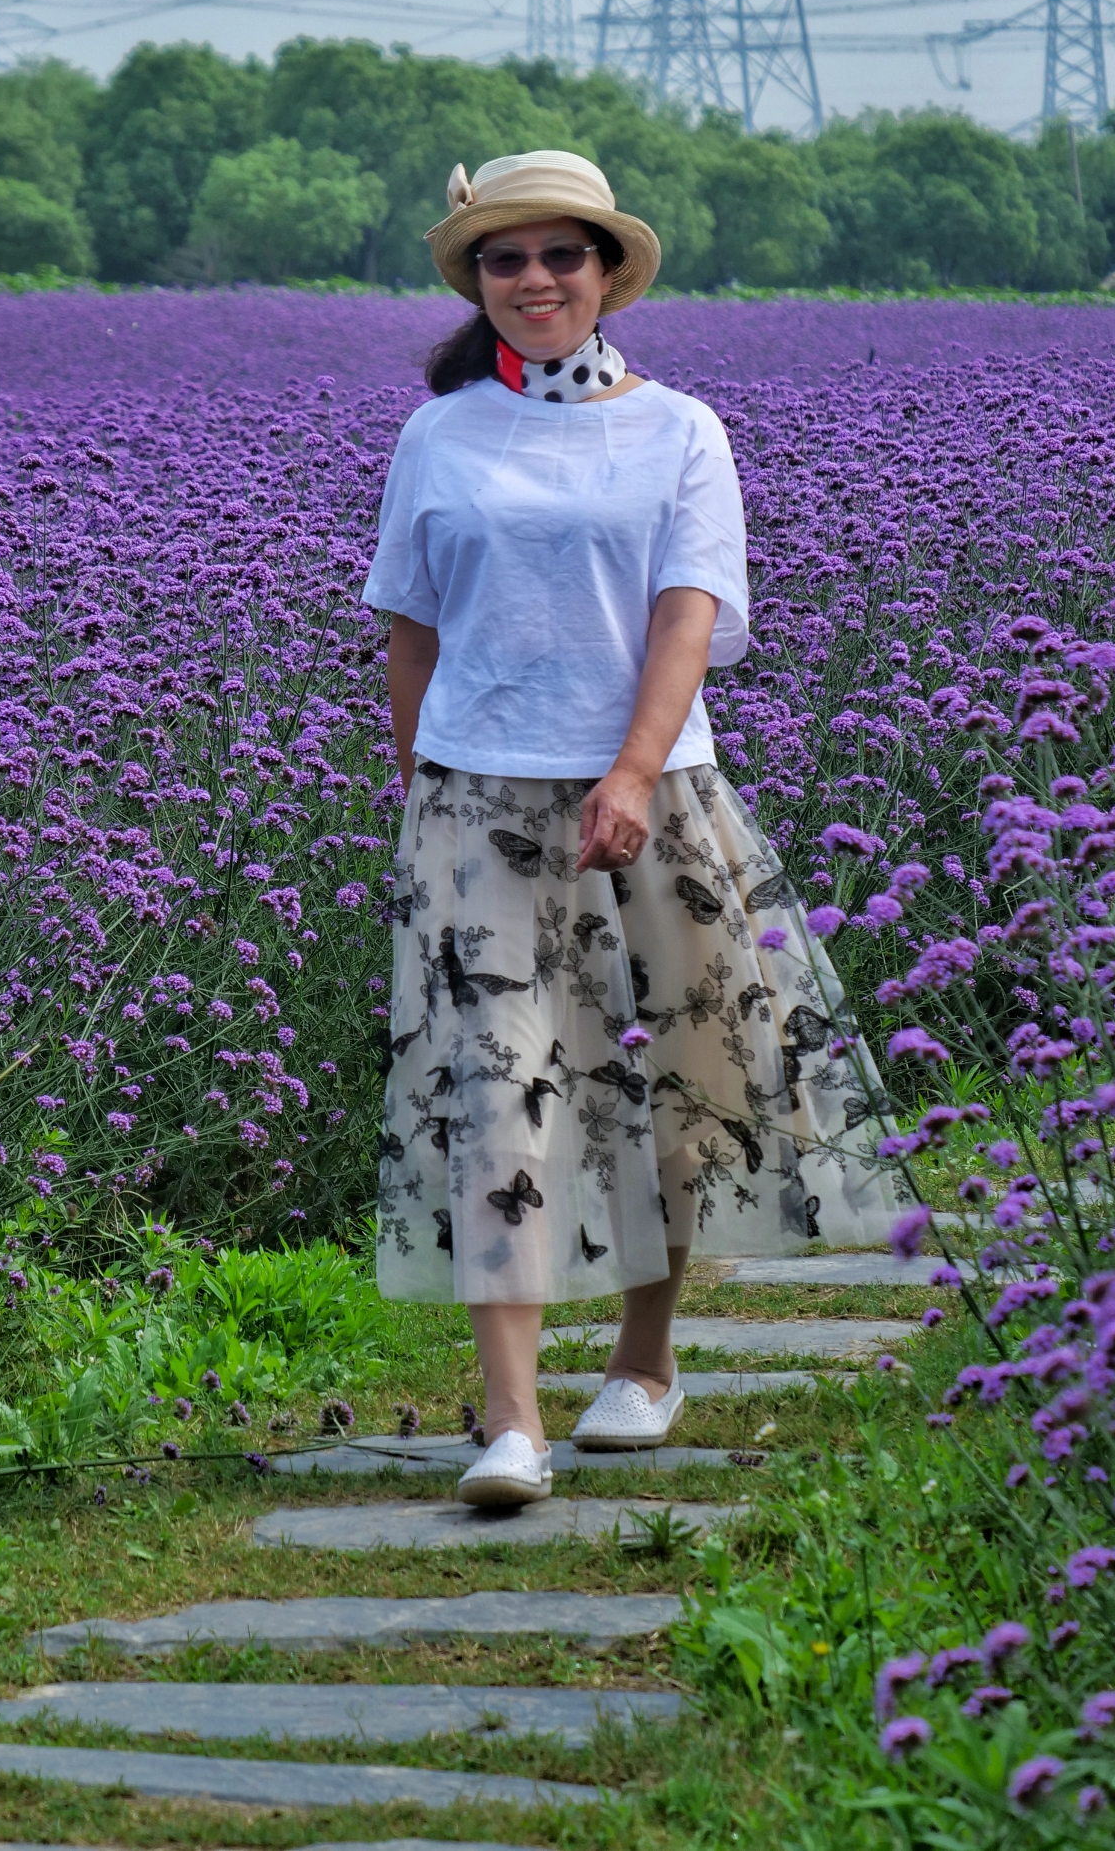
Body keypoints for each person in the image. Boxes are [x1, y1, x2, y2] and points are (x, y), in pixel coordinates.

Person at [362, 150, 892, 1508]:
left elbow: (687, 612)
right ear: (476, 282)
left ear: (607, 275)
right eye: (504, 259)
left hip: (653, 795)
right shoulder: (437, 434)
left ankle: (645, 1361)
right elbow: (406, 628)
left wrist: (627, 772)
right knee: (496, 1090)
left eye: (559, 256)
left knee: (672, 1081)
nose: (532, 280)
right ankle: (510, 1421)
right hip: (478, 802)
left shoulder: (681, 431)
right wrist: (425, 779)